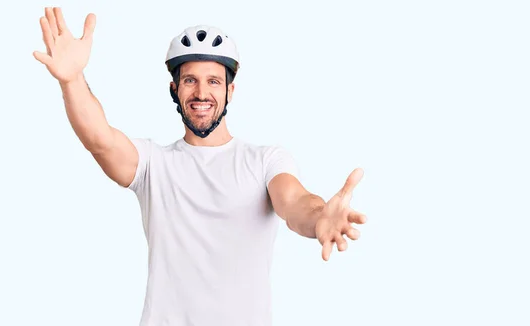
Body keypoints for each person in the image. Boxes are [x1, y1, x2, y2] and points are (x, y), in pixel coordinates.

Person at [33, 7, 367, 326]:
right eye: (190, 81)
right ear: (174, 89)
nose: (201, 92)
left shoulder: (265, 160)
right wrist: (73, 80)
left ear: (230, 91)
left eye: (213, 81)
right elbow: (100, 140)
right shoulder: (153, 164)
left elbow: (294, 202)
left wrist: (320, 215)